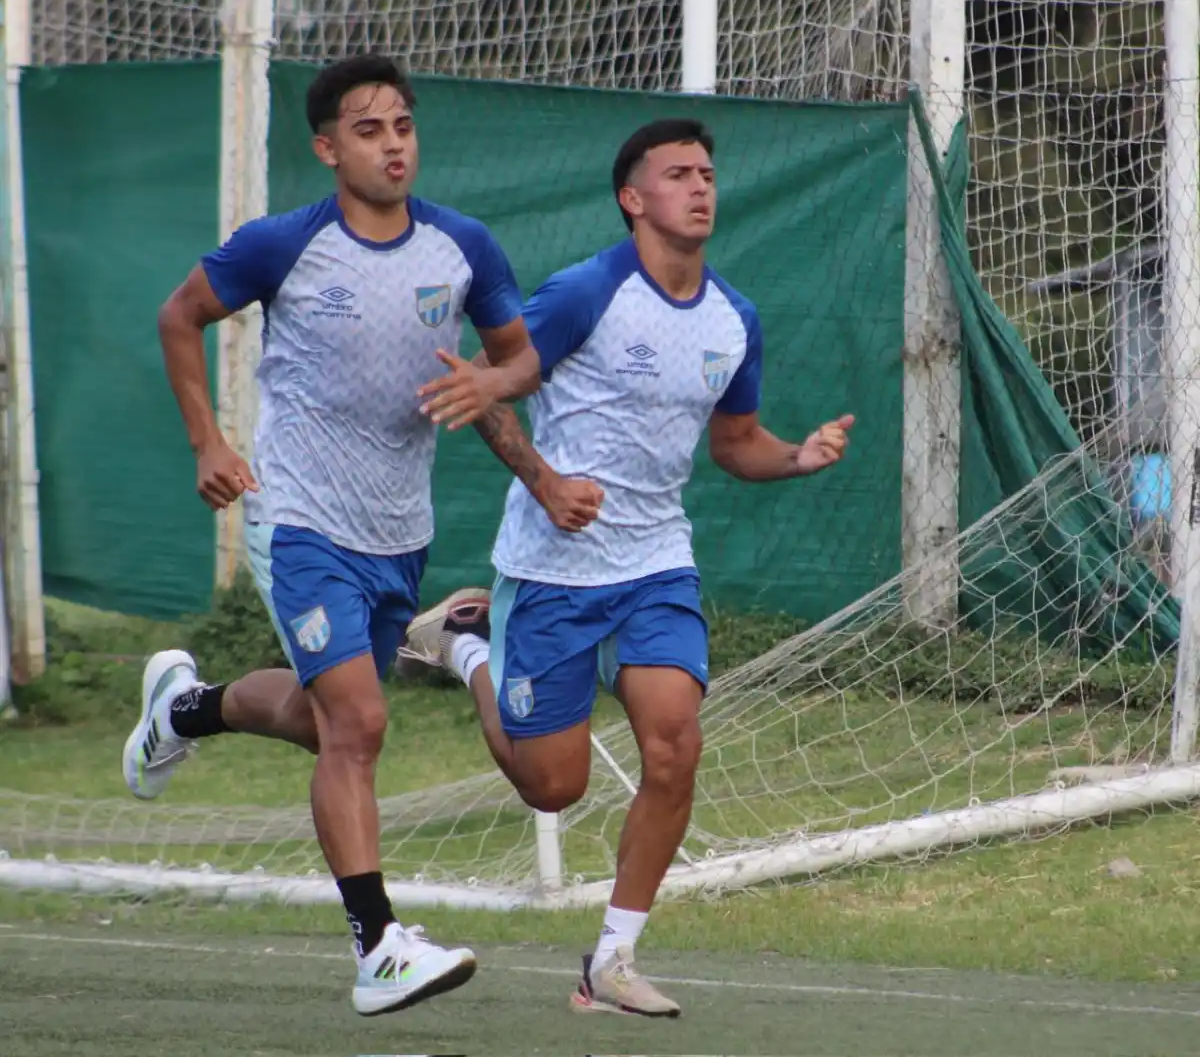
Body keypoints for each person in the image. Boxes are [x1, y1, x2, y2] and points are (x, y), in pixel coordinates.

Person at [120, 55, 541, 1016]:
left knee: (326, 722)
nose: (393, 143)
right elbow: (179, 315)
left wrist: (491, 381)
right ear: (326, 147)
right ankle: (378, 945)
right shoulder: (283, 244)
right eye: (368, 129)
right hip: (297, 516)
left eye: (403, 125)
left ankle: (186, 709)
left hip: (400, 532)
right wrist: (208, 441)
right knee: (359, 724)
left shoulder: (463, 246)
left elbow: (519, 359)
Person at [408, 118, 854, 1018]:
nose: (700, 186)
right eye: (677, 173)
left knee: (674, 743)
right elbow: (505, 377)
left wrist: (796, 457)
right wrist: (538, 471)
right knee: (554, 785)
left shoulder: (735, 320)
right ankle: (469, 648)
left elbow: (735, 443)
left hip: (656, 566)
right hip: (553, 572)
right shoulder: (586, 291)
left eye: (707, 173)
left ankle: (609, 961)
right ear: (633, 197)